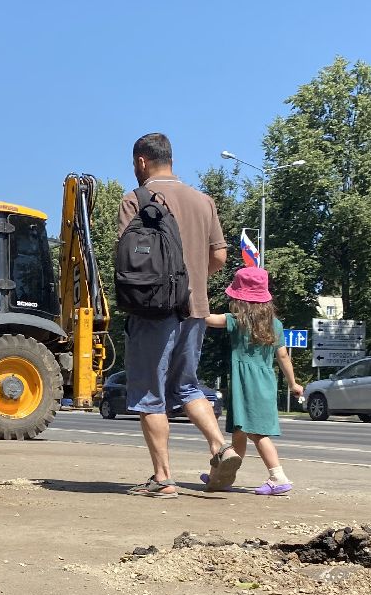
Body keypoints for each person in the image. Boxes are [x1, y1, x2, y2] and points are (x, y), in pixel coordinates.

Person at [117, 133, 237, 498]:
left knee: (149, 393)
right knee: (186, 385)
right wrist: (192, 279)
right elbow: (219, 257)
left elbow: (128, 260)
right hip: (196, 308)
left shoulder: (136, 200)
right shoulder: (204, 201)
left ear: (141, 162)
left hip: (154, 311)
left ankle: (163, 477)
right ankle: (221, 446)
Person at [203, 267, 304, 495]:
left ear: (240, 299)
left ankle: (278, 476)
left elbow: (208, 319)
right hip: (265, 381)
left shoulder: (237, 320)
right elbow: (283, 355)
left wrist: (193, 303)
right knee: (240, 432)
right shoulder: (275, 324)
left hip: (246, 384)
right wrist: (293, 383)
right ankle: (221, 477)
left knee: (257, 433)